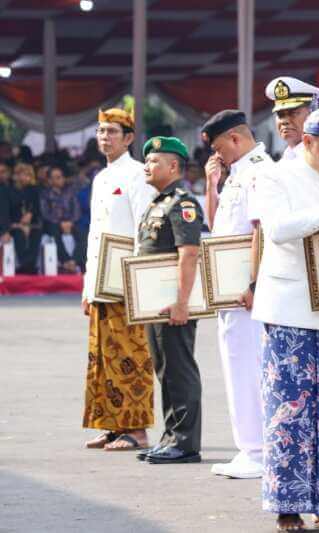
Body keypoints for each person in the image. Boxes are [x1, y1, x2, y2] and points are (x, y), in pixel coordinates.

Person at [250, 108, 319, 532]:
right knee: (288, 413)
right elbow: (278, 229)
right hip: (289, 310)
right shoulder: (277, 177)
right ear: (308, 142)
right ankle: (287, 505)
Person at [200, 109, 274, 479]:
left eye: (218, 148)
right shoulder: (237, 173)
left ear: (234, 139)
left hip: (247, 292)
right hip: (229, 289)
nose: (217, 156)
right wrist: (212, 184)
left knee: (250, 367)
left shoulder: (259, 169)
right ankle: (249, 447)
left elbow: (262, 230)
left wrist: (254, 283)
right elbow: (217, 229)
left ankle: (259, 449)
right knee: (236, 365)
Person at [81, 109, 155, 451]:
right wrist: (87, 286)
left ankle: (136, 429)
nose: (104, 137)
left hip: (126, 277)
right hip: (101, 279)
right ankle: (112, 424)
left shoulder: (138, 174)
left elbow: (144, 228)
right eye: (100, 131)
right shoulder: (101, 177)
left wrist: (139, 279)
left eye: (111, 131)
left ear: (128, 138)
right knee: (103, 355)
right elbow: (95, 235)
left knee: (132, 353)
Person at [134, 136, 204, 465]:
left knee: (180, 369)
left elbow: (188, 254)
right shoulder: (157, 202)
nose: (147, 166)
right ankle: (170, 436)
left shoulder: (182, 203)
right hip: (154, 302)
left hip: (174, 303)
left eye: (154, 162)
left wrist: (181, 301)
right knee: (165, 369)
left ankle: (186, 442)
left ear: (173, 166)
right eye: (147, 161)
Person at [264, 76, 319, 161]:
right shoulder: (286, 157)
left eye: (293, 113)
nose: (284, 121)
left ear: (313, 114)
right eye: (280, 115)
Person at [8, 163, 42, 273]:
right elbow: (8, 209)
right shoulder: (10, 190)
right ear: (16, 175)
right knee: (19, 233)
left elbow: (37, 207)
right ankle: (24, 264)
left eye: (28, 175)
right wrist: (18, 224)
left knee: (36, 233)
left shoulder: (34, 189)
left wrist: (31, 214)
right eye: (23, 174)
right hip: (15, 223)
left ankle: (30, 264)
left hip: (32, 223)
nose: (26, 177)